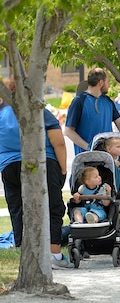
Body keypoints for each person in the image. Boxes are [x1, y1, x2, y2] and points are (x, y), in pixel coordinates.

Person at [0, 94, 70, 268]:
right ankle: (54, 254)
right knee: (54, 207)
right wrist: (62, 169)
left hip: (9, 166)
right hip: (42, 162)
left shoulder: (1, 115)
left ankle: (26, 255)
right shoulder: (40, 112)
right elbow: (59, 143)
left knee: (18, 209)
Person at [64, 68, 120, 155]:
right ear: (101, 83)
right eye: (108, 82)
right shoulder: (79, 101)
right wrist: (89, 147)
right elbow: (68, 131)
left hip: (107, 159)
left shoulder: (108, 101)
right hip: (86, 159)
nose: (109, 85)